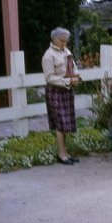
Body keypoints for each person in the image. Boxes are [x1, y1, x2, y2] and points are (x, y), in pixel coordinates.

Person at [41, 27, 81, 165]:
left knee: (66, 123)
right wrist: (67, 81)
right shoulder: (48, 56)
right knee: (60, 123)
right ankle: (61, 154)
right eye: (62, 41)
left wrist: (76, 76)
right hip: (55, 91)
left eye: (66, 41)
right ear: (54, 39)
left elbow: (73, 66)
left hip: (67, 90)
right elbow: (49, 78)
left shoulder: (66, 52)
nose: (64, 43)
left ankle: (66, 153)